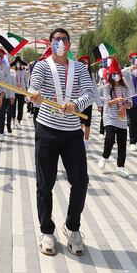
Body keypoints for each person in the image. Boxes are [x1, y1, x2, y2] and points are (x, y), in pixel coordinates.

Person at [28, 28, 95, 257]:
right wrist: (33, 94)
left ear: (69, 44)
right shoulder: (42, 66)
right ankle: (47, 231)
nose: (60, 43)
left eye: (63, 40)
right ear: (50, 43)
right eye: (56, 40)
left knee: (81, 181)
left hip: (72, 133)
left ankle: (72, 227)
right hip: (46, 130)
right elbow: (33, 87)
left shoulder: (80, 68)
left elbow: (90, 93)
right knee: (44, 184)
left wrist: (76, 104)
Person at [97, 57, 132, 177]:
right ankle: (104, 156)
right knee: (110, 138)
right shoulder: (107, 87)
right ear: (110, 75)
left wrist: (125, 106)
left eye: (118, 74)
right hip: (110, 117)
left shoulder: (125, 87)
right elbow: (108, 102)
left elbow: (130, 102)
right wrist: (117, 100)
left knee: (122, 143)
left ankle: (121, 166)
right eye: (114, 74)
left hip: (122, 118)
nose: (116, 76)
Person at [77, 55, 96, 151]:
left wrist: (99, 104)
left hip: (88, 102)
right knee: (79, 122)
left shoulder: (91, 75)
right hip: (78, 102)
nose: (85, 65)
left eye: (87, 63)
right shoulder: (76, 74)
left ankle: (86, 142)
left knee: (87, 123)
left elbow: (95, 90)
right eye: (83, 63)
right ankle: (78, 141)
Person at [12, 57, 29, 129]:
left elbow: (26, 81)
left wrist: (26, 90)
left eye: (19, 63)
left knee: (20, 107)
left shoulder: (24, 72)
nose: (18, 64)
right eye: (17, 63)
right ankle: (13, 121)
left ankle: (19, 121)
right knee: (13, 107)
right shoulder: (12, 71)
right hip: (14, 91)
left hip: (21, 92)